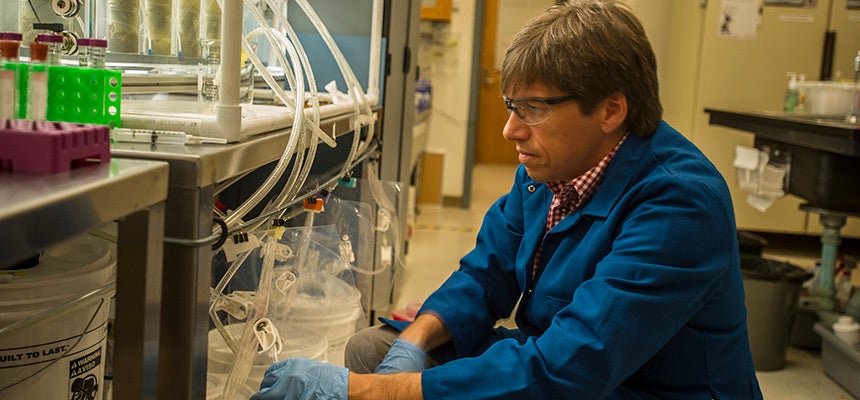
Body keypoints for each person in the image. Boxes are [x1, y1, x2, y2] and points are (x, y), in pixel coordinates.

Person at [251, 1, 764, 399]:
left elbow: (572, 368)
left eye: (534, 109)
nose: (510, 129)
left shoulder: (678, 203)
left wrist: (366, 392)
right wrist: (413, 343)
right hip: (562, 364)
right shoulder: (551, 167)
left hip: (632, 386)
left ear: (611, 110)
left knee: (376, 383)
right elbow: (485, 272)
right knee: (377, 347)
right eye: (511, 105)